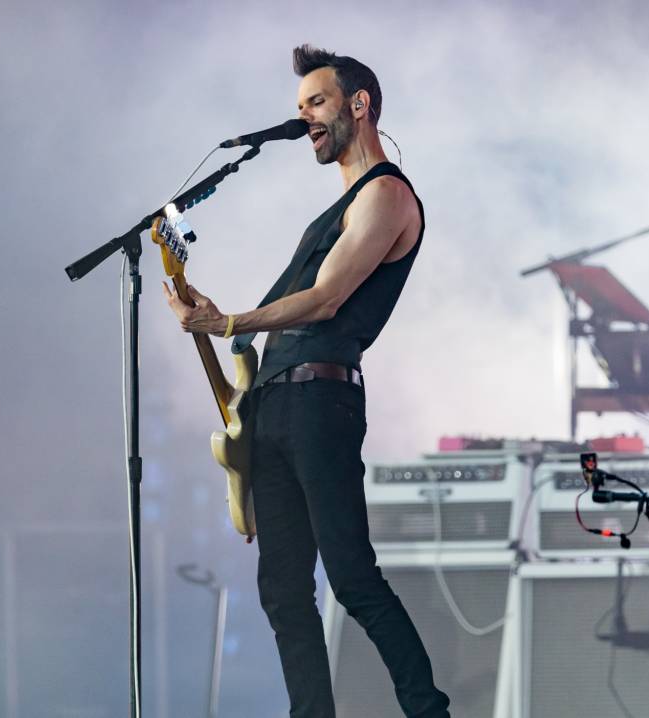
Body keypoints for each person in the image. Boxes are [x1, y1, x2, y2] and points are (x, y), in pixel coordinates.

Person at [162, 44, 450, 718]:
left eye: (315, 104)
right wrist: (205, 312)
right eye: (298, 109)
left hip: (322, 401)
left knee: (351, 577)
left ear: (359, 104)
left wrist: (226, 319)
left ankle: (427, 710)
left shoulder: (386, 195)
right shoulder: (334, 211)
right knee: (282, 590)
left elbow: (324, 300)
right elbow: (273, 323)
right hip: (275, 409)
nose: (305, 119)